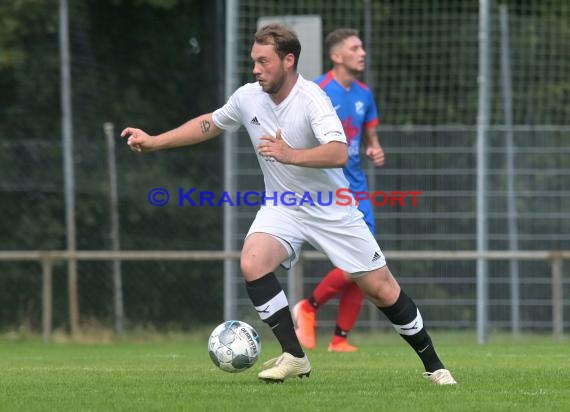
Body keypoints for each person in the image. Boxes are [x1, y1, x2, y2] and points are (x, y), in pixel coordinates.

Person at [121, 23, 456, 385]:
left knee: (381, 289)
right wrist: (154, 141)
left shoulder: (312, 99)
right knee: (252, 261)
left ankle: (435, 366)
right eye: (253, 61)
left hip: (332, 208)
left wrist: (290, 154)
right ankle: (295, 356)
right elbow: (210, 124)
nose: (255, 69)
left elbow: (339, 152)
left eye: (263, 61)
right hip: (283, 205)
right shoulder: (248, 97)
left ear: (288, 60)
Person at [293, 28, 384, 353]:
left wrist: (375, 149)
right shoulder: (317, 90)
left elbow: (369, 137)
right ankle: (308, 307)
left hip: (357, 188)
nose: (362, 52)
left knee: (366, 260)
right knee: (356, 262)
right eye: (355, 48)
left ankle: (339, 340)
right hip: (328, 189)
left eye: (362, 47)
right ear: (336, 55)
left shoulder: (364, 94)